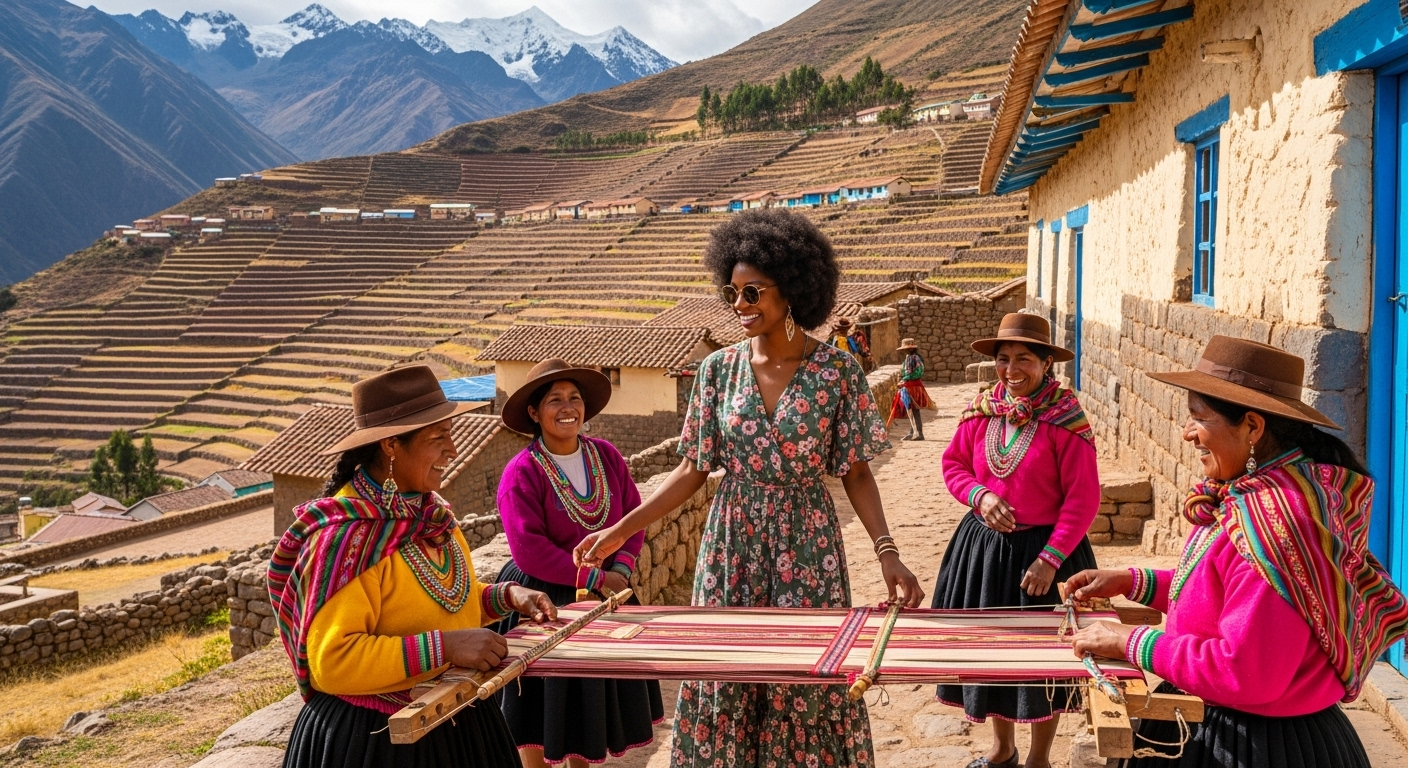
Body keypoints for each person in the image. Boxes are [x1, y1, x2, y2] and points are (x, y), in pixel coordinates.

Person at [573, 208, 924, 768]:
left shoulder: (838, 373)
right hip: (730, 542)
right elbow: (692, 469)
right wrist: (620, 530)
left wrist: (888, 554)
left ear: (794, 290)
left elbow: (855, 471)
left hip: (807, 546)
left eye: (753, 292)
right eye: (731, 292)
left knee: (804, 672)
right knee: (725, 670)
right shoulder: (717, 371)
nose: (739, 306)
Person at [1067, 335, 1408, 768]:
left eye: (1197, 418)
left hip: (1255, 746)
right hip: (1227, 725)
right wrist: (1136, 583)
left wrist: (1130, 641)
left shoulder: (1277, 527)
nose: (1187, 433)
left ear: (1252, 426)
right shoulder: (1252, 501)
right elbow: (1229, 591)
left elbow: (1246, 672)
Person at [270, 365, 558, 768]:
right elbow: (332, 661)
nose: (453, 450)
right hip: (379, 742)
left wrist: (507, 596)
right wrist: (447, 647)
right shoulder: (348, 541)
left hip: (458, 721)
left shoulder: (431, 518)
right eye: (438, 438)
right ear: (391, 445)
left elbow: (443, 599)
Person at [933, 312, 1100, 768]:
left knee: (1047, 658)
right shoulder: (982, 410)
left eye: (1024, 358)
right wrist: (979, 496)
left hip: (1048, 556)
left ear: (1047, 363)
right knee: (992, 650)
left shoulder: (1066, 421)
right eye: (1003, 359)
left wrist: (1050, 559)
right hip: (985, 552)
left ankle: (1039, 758)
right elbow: (954, 467)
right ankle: (1002, 747)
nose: (1011, 370)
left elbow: (1083, 499)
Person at [493, 357, 664, 767]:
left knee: (586, 706)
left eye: (574, 398)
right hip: (541, 601)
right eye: (554, 400)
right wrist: (594, 575)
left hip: (605, 595)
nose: (567, 407)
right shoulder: (522, 472)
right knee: (541, 710)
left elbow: (631, 517)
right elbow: (528, 549)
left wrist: (620, 571)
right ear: (534, 413)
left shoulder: (606, 456)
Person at [888, 338, 931, 441]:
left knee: (914, 410)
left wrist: (904, 379)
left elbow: (915, 373)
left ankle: (918, 433)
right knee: (912, 410)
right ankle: (913, 432)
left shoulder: (913, 358)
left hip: (912, 386)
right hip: (911, 386)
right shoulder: (911, 357)